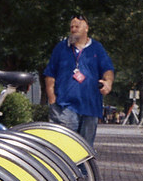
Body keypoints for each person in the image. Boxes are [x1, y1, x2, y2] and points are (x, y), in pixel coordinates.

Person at [43, 14, 115, 148]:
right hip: (65, 107)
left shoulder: (97, 48)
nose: (73, 29)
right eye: (71, 27)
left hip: (90, 107)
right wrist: (52, 100)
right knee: (65, 148)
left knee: (85, 149)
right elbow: (50, 74)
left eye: (77, 26)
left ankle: (82, 164)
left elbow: (107, 69)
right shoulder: (61, 48)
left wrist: (108, 82)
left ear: (86, 28)